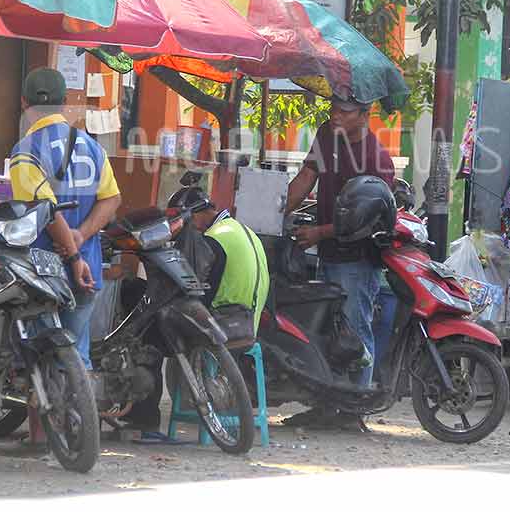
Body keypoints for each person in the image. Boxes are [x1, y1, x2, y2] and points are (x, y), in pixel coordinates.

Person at [0, 67, 121, 455]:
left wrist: (69, 249)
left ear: (24, 103)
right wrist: (82, 239)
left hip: (43, 270)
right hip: (88, 266)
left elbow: (46, 213)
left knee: (39, 348)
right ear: (65, 101)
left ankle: (40, 439)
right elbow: (112, 201)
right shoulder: (91, 146)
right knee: (76, 350)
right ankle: (78, 435)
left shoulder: (25, 153)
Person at [114, 188, 270, 442]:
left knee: (146, 337)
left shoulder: (212, 240)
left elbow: (196, 291)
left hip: (223, 324)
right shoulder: (241, 231)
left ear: (195, 214)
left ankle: (144, 422)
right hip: (247, 322)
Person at [283, 97, 394, 428]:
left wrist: (320, 232)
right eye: (333, 107)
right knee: (327, 334)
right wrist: (274, 212)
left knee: (354, 333)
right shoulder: (326, 136)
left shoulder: (377, 160)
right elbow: (306, 177)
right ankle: (326, 405)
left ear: (365, 115)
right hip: (329, 253)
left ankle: (353, 410)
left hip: (357, 259)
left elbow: (373, 221)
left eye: (344, 111)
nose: (335, 115)